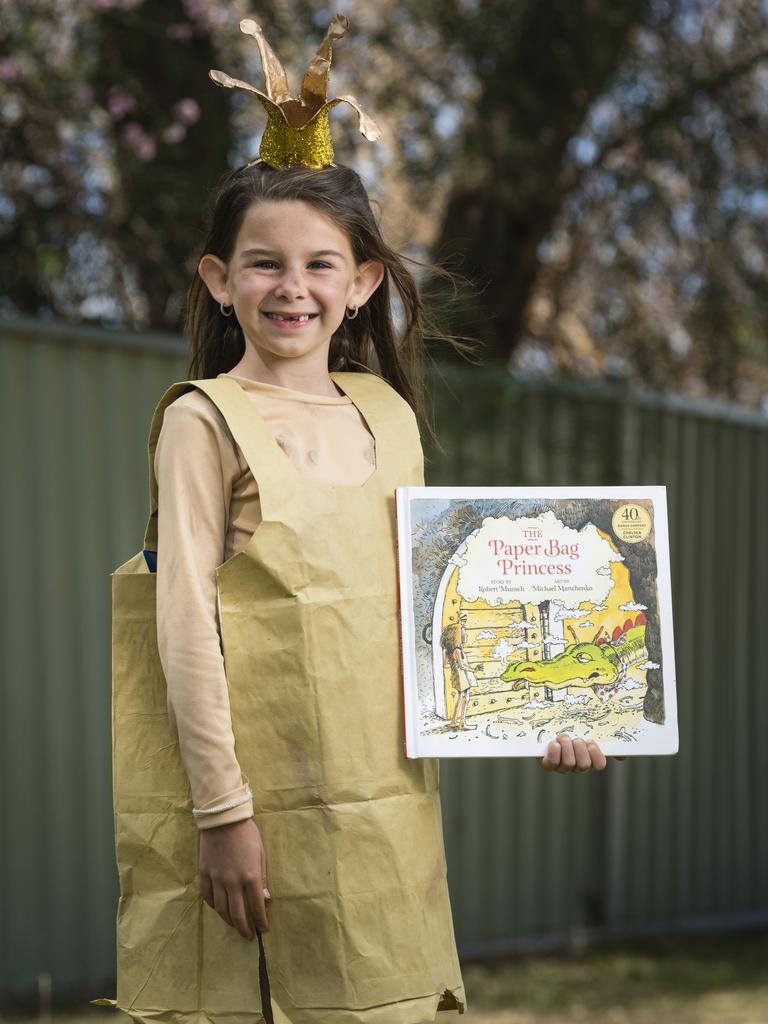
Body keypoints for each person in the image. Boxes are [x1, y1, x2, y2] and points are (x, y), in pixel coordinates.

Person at [144, 15, 627, 1024]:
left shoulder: (389, 415)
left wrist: (552, 710)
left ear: (362, 283)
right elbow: (184, 619)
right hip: (262, 828)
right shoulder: (204, 421)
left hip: (392, 823)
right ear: (219, 280)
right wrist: (222, 815)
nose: (293, 287)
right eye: (264, 263)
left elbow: (447, 609)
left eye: (321, 264)